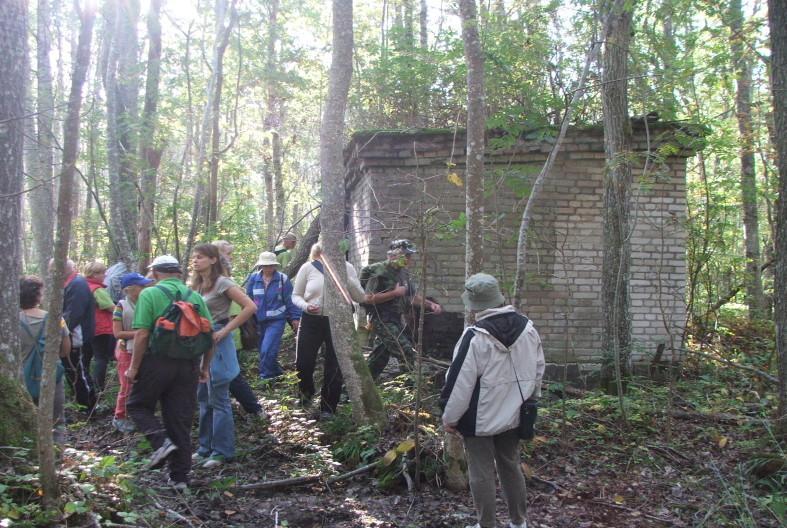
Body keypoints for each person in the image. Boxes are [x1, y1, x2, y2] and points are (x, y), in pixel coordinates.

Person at [440, 273, 545, 528]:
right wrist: (531, 400)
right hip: (515, 413)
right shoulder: (528, 328)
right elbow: (539, 368)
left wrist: (449, 418)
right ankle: (519, 522)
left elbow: (458, 384)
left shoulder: (474, 337)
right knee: (510, 465)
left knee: (481, 472)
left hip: (479, 418)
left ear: (473, 305)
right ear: (498, 298)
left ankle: (486, 525)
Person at [125, 255, 214, 492]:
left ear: (154, 273)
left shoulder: (149, 294)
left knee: (137, 405)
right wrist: (205, 367)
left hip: (157, 362)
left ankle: (160, 442)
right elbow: (210, 335)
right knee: (179, 420)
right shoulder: (194, 296)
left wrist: (133, 368)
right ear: (177, 273)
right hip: (189, 365)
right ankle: (180, 479)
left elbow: (142, 334)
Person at [291, 243, 390, 416]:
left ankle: (328, 407)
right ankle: (305, 394)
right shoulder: (308, 268)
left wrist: (344, 276)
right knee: (303, 363)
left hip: (338, 321)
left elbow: (359, 296)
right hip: (311, 320)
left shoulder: (348, 268)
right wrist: (306, 306)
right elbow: (295, 295)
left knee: (334, 364)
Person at [190, 243, 257, 468]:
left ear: (213, 259)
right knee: (203, 396)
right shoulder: (197, 285)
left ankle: (222, 451)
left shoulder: (223, 283)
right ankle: (205, 447)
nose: (195, 260)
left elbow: (249, 306)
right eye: (194, 257)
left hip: (218, 342)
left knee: (218, 396)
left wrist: (226, 330)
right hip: (199, 341)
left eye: (200, 257)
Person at [361, 239, 442, 380]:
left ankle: (356, 391)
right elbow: (366, 298)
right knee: (406, 352)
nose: (409, 259)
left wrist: (430, 304)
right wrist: (394, 293)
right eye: (406, 255)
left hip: (396, 319)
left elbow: (411, 297)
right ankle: (414, 388)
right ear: (393, 255)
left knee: (379, 357)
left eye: (410, 256)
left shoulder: (403, 273)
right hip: (381, 319)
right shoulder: (376, 270)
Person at [19, 276, 70, 444]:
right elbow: (65, 350)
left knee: (25, 422)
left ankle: (29, 458)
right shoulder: (55, 319)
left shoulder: (10, 321)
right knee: (56, 421)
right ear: (39, 295)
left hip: (21, 379)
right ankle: (56, 460)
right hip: (51, 376)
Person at [246, 251, 301, 380]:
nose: (268, 268)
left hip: (276, 321)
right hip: (258, 321)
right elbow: (248, 299)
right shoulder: (253, 279)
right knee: (264, 351)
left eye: (271, 265)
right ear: (261, 266)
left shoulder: (282, 279)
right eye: (265, 265)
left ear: (275, 265)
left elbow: (290, 299)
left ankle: (266, 377)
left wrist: (295, 318)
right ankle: (277, 371)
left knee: (267, 348)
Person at [111, 272, 153, 433]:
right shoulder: (121, 306)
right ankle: (120, 416)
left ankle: (139, 415)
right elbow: (118, 333)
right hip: (127, 351)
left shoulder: (147, 302)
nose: (145, 288)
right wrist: (141, 334)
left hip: (146, 351)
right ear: (129, 289)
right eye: (141, 286)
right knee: (127, 385)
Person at [55, 258, 97, 411]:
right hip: (70, 335)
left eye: (54, 269)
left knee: (78, 371)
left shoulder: (77, 284)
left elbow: (73, 314)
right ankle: (83, 402)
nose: (52, 273)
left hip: (76, 337)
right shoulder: (69, 284)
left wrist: (59, 332)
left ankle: (88, 406)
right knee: (73, 371)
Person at [84, 261, 117, 392]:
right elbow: (111, 308)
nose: (105, 274)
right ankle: (98, 388)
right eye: (102, 272)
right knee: (101, 358)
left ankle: (86, 386)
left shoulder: (84, 286)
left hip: (88, 328)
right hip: (101, 328)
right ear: (94, 274)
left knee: (87, 357)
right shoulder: (97, 290)